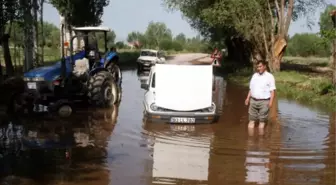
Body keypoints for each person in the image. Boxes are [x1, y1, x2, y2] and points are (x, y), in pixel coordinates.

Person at [244, 61, 276, 129]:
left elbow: (272, 91)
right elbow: (251, 89)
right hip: (253, 101)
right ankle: (250, 139)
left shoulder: (270, 77)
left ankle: (261, 138)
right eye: (258, 67)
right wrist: (247, 98)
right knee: (251, 120)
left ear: (265, 66)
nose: (259, 68)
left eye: (260, 66)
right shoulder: (255, 75)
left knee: (262, 121)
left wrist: (271, 103)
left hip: (264, 102)